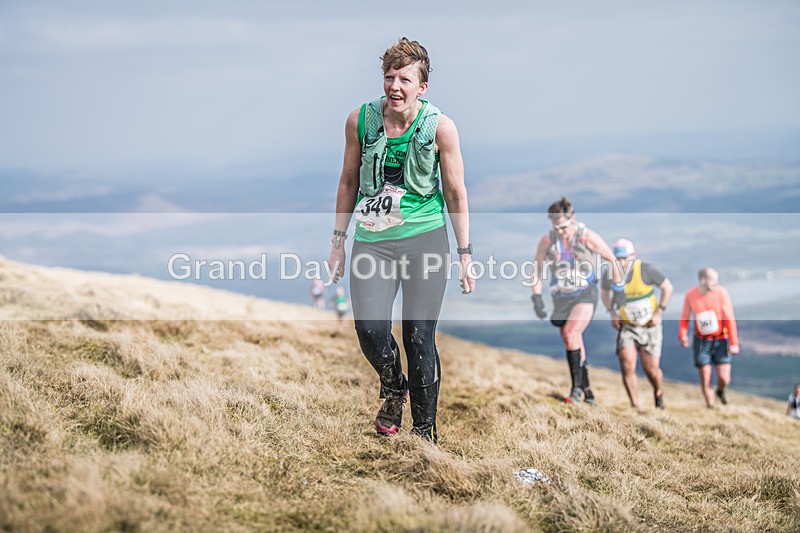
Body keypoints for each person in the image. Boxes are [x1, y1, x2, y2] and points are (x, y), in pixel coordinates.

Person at [326, 38, 475, 443]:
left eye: (404, 79)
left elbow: (456, 192)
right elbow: (348, 180)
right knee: (370, 330)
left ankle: (424, 434)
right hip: (372, 241)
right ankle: (394, 386)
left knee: (417, 336)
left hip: (424, 240)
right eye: (389, 77)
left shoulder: (440, 127)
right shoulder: (361, 120)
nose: (395, 86)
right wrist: (338, 242)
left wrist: (464, 253)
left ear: (421, 86)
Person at [530, 197, 624, 405]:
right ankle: (587, 389)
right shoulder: (548, 241)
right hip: (561, 297)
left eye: (564, 226)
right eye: (556, 227)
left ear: (573, 219)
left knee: (572, 332)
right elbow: (536, 269)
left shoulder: (587, 237)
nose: (561, 231)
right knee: (569, 337)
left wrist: (618, 289)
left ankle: (576, 391)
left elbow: (612, 259)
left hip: (585, 293)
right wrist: (536, 297)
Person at [601, 239, 673, 409]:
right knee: (627, 364)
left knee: (651, 369)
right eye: (618, 259)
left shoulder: (647, 270)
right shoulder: (610, 273)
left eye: (625, 258)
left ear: (633, 256)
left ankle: (658, 392)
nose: (622, 262)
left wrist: (659, 312)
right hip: (627, 326)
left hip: (650, 325)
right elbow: (604, 293)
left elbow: (667, 288)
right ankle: (635, 406)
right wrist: (612, 313)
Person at [679, 267, 740, 408]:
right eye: (712, 279)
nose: (715, 282)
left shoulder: (721, 293)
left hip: (721, 339)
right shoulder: (690, 295)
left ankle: (720, 390)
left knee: (724, 378)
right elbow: (684, 317)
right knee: (705, 376)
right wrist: (682, 334)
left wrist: (733, 342)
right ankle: (710, 406)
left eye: (716, 279)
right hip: (702, 341)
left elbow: (729, 317)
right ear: (702, 280)